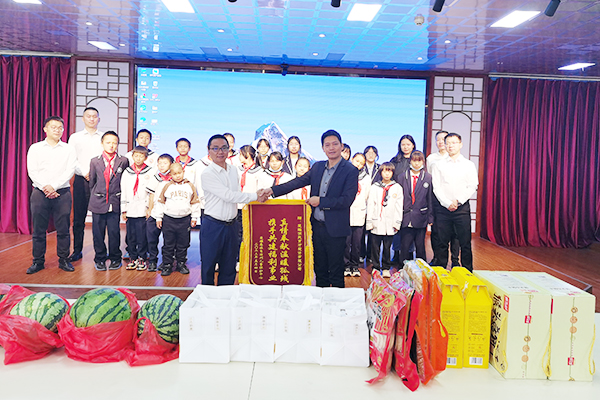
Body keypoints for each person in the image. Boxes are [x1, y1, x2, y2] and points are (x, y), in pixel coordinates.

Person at [264, 130, 359, 288]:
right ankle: (320, 301)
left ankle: (335, 303)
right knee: (319, 271)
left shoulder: (350, 170)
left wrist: (320, 201)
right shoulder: (318, 167)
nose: (331, 148)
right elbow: (296, 182)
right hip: (317, 227)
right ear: (323, 148)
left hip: (336, 229)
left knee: (336, 273)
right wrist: (272, 191)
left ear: (341, 146)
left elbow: (346, 200)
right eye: (327, 145)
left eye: (335, 144)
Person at [200, 135, 269, 286]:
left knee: (229, 266)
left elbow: (237, 193)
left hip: (232, 225)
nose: (220, 152)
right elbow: (229, 196)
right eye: (215, 148)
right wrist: (256, 196)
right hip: (213, 225)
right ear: (209, 150)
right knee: (208, 267)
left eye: (224, 148)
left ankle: (225, 296)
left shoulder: (233, 170)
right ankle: (207, 297)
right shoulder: (207, 174)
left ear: (229, 150)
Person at [26, 116, 77, 274]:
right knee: (38, 229)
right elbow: (32, 171)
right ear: (45, 129)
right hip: (39, 192)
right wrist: (45, 187)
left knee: (63, 229)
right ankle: (38, 261)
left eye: (60, 127)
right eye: (53, 127)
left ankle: (64, 259)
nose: (57, 130)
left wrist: (54, 186)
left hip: (62, 192)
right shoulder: (35, 148)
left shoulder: (68, 149)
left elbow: (70, 170)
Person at [430, 133, 478, 271]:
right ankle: (441, 271)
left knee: (465, 242)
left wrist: (458, 201)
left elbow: (472, 185)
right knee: (441, 242)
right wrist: (447, 203)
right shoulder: (438, 165)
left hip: (462, 208)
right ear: (445, 145)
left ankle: (467, 271)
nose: (450, 146)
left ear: (460, 144)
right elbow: (436, 187)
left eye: (454, 143)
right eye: (448, 143)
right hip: (443, 209)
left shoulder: (468, 165)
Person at [88, 131, 129, 271]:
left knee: (114, 232)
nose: (111, 145)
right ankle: (99, 258)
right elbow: (92, 182)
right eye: (108, 142)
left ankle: (115, 258)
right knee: (98, 233)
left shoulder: (123, 161)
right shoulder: (95, 161)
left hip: (115, 201)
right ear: (102, 143)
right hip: (98, 201)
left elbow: (125, 181)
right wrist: (96, 196)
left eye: (114, 143)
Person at [67, 107, 103, 262]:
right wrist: (84, 172)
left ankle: (100, 252)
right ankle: (77, 250)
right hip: (81, 179)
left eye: (95, 116)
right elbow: (71, 159)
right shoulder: (75, 138)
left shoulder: (103, 137)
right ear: (83, 118)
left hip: (100, 181)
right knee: (79, 217)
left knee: (99, 218)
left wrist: (95, 173)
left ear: (98, 119)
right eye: (89, 116)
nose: (92, 119)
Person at [154, 163, 201, 277]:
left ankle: (181, 264)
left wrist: (194, 217)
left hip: (184, 220)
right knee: (168, 244)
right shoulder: (167, 186)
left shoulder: (190, 186)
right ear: (170, 174)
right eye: (174, 174)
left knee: (183, 244)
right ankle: (167, 265)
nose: (178, 176)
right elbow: (161, 202)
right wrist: (159, 217)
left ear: (183, 172)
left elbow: (194, 202)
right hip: (169, 220)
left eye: (179, 173)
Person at [427, 130, 460, 267]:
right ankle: (437, 258)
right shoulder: (431, 158)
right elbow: (430, 180)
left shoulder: (454, 157)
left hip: (452, 198)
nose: (441, 142)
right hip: (436, 198)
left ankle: (455, 260)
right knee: (437, 231)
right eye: (438, 140)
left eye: (443, 139)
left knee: (454, 231)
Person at [366, 162, 403, 278]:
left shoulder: (397, 187)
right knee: (375, 247)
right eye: (384, 171)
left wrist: (397, 222)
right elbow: (370, 205)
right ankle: (376, 267)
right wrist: (369, 221)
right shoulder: (374, 187)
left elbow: (399, 207)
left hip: (390, 223)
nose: (387, 174)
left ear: (393, 173)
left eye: (389, 171)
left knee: (387, 247)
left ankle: (386, 267)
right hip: (376, 221)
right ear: (381, 172)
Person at [121, 146, 153, 271]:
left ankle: (142, 258)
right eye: (136, 156)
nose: (138, 158)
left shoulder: (150, 171)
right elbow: (123, 190)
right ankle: (132, 258)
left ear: (145, 158)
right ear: (132, 156)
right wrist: (124, 209)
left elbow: (151, 192)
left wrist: (148, 208)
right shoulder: (127, 172)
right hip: (130, 208)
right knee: (131, 236)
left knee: (142, 235)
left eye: (141, 156)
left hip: (142, 209)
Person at [398, 151, 433, 265]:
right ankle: (403, 269)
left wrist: (430, 217)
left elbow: (430, 199)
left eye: (419, 161)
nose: (417, 163)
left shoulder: (428, 177)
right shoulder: (402, 177)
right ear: (410, 161)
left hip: (421, 216)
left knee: (420, 246)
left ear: (423, 162)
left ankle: (421, 269)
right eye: (414, 160)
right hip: (406, 215)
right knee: (404, 245)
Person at [390, 134, 416, 264]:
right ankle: (396, 252)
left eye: (408, 144)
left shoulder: (416, 160)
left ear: (413, 145)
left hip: (412, 199)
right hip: (396, 198)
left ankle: (409, 252)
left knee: (409, 227)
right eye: (403, 144)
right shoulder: (395, 161)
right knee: (396, 226)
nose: (405, 147)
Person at [146, 153, 174, 272]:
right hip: (155, 212)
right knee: (152, 238)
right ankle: (152, 261)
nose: (162, 165)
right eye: (160, 163)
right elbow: (151, 195)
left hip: (168, 213)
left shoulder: (174, 179)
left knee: (168, 240)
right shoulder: (155, 178)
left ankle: (166, 262)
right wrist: (149, 209)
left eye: (165, 163)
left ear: (171, 165)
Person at [344, 153, 370, 277]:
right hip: (346, 211)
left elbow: (367, 195)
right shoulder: (345, 174)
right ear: (352, 159)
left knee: (357, 242)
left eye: (361, 163)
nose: (358, 164)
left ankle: (354, 265)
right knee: (345, 241)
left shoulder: (366, 178)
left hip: (359, 212)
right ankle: (345, 265)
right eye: (357, 161)